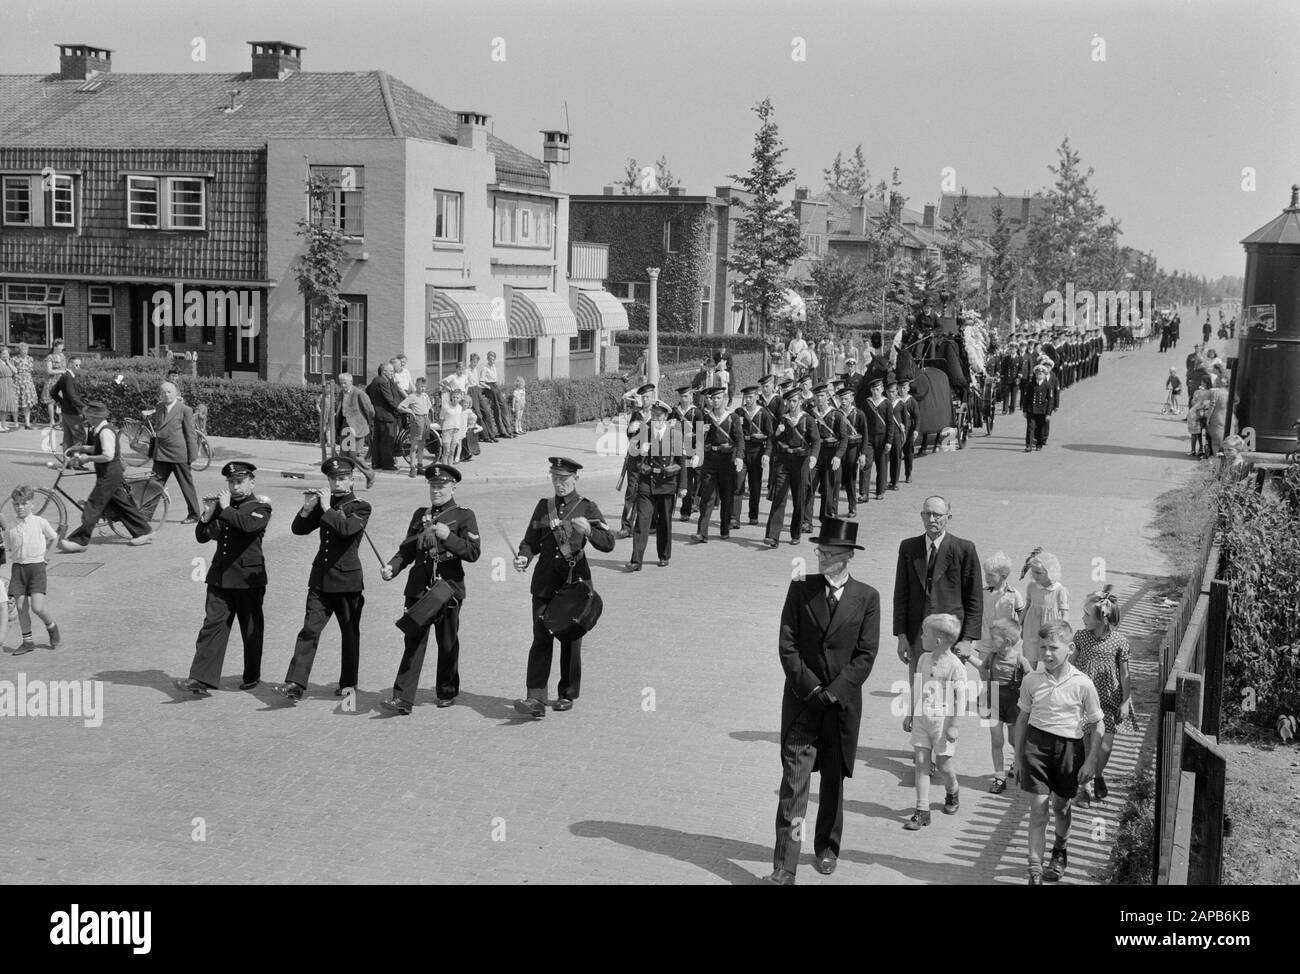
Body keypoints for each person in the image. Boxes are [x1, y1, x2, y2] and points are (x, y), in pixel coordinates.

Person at [767, 517, 880, 884]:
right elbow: (788, 644)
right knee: (795, 787)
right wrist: (811, 688)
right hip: (802, 703)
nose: (821, 558)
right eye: (820, 551)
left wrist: (833, 693)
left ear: (848, 556)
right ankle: (784, 866)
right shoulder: (801, 588)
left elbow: (866, 654)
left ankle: (827, 848)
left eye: (830, 553)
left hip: (840, 707)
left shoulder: (867, 597)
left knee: (833, 781)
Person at [512, 458, 615, 718]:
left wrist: (589, 531)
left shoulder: (587, 508)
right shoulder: (543, 507)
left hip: (573, 584)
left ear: (575, 479)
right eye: (555, 478)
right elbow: (530, 541)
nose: (559, 483)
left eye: (564, 479)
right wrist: (524, 556)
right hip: (545, 583)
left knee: (570, 641)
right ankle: (535, 697)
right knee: (540, 640)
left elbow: (608, 543)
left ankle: (567, 693)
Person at [379, 463, 481, 714]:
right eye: (433, 486)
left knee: (447, 642)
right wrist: (392, 568)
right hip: (418, 586)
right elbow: (406, 550)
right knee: (413, 641)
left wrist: (449, 537)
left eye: (442, 486)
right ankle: (402, 698)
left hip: (447, 589)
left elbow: (473, 552)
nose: (437, 490)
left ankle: (446, 690)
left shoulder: (464, 515)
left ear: (453, 486)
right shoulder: (420, 515)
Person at [1014, 620, 1105, 884]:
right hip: (1036, 748)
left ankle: (1060, 848)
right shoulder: (1031, 679)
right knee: (1039, 810)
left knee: (1061, 808)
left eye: (1053, 647)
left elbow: (1098, 723)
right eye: (1042, 647)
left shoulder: (1082, 683)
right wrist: (1018, 759)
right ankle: (1035, 870)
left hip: (1069, 750)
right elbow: (1022, 719)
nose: (1046, 654)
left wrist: (1090, 761)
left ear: (1070, 648)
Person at [275, 457, 372, 703]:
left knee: (349, 633)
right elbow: (299, 529)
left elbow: (347, 530)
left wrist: (327, 507)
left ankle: (348, 683)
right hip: (320, 579)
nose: (337, 483)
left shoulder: (361, 506)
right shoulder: (324, 504)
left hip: (347, 580)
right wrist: (308, 509)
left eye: (341, 478)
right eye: (332, 479)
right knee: (310, 629)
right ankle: (295, 683)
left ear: (352, 480)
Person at [174, 462, 272, 696]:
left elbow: (248, 527)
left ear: (251, 482)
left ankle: (251, 675)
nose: (235, 487)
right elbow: (202, 537)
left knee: (250, 629)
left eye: (239, 482)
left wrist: (225, 507)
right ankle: (201, 678)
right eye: (231, 482)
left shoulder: (260, 507)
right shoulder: (222, 506)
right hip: (220, 577)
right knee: (212, 626)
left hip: (248, 579)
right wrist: (208, 515)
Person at [893, 496, 982, 731]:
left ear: (948, 518)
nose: (931, 519)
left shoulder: (963, 549)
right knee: (920, 687)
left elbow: (974, 597)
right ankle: (922, 746)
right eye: (927, 514)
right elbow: (900, 594)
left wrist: (968, 639)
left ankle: (943, 745)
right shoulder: (909, 548)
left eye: (937, 515)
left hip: (950, 636)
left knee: (948, 693)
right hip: (919, 635)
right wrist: (901, 635)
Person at [57, 402, 154, 551]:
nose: (86, 418)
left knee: (93, 506)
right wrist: (83, 448)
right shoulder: (101, 429)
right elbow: (102, 448)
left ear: (95, 417)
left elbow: (107, 455)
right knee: (122, 506)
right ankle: (144, 531)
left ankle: (79, 541)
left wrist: (87, 458)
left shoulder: (105, 431)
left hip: (109, 474)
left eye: (88, 416)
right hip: (110, 473)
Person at [903, 613, 968, 829]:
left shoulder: (955, 666)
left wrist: (955, 726)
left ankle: (952, 789)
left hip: (943, 723)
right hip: (923, 718)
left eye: (925, 634)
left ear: (938, 640)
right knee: (921, 763)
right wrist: (910, 712)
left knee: (943, 765)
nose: (921, 637)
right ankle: (922, 810)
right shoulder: (922, 659)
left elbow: (961, 699)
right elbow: (916, 687)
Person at [1071, 587, 1132, 806]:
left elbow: (1124, 674)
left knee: (1105, 748)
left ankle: (1097, 775)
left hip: (1109, 700)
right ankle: (1084, 789)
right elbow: (1070, 663)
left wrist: (1126, 701)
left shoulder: (1120, 642)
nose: (1083, 618)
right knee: (1088, 745)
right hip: (1084, 701)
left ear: (1103, 619)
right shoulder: (1081, 637)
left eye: (1087, 615)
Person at [627, 400, 687, 570]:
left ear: (666, 416)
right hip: (647, 483)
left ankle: (663, 554)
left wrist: (683, 486)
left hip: (667, 483)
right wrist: (640, 452)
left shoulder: (675, 434)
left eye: (659, 416)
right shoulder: (644, 432)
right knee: (642, 522)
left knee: (665, 521)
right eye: (653, 415)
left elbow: (681, 461)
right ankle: (636, 560)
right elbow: (633, 460)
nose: (655, 419)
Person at [3, 485, 61, 654]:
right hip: (18, 569)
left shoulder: (40, 522)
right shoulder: (11, 526)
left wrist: (47, 558)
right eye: (16, 504)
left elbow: (54, 538)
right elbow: (7, 547)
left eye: (24, 503)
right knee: (21, 607)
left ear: (31, 504)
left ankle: (51, 626)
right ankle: (27, 641)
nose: (20, 507)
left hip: (36, 568)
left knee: (37, 607)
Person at [977, 618, 1032, 794]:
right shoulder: (991, 656)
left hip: (1015, 705)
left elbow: (1031, 679)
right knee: (997, 741)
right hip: (994, 703)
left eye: (994, 638)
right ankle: (999, 777)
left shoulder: (1020, 660)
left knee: (1014, 740)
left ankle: (1019, 763)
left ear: (1007, 642)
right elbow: (982, 668)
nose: (990, 641)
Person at [763, 391, 817, 548]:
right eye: (789, 402)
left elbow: (816, 441)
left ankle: (796, 532)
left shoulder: (808, 419)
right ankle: (773, 536)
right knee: (779, 498)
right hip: (784, 461)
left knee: (799, 499)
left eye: (794, 401)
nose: (791, 405)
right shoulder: (782, 419)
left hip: (801, 462)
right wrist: (777, 434)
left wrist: (813, 456)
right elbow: (773, 440)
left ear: (800, 401)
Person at [691, 386, 744, 544]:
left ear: (725, 400)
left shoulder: (732, 417)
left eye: (718, 398)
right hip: (710, 459)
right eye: (713, 398)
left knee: (727, 496)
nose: (715, 401)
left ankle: (725, 528)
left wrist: (739, 457)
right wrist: (701, 434)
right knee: (707, 496)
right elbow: (697, 440)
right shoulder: (706, 417)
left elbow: (739, 438)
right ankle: (702, 532)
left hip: (727, 460)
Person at [148, 381, 202, 524]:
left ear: (176, 393)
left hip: (179, 454)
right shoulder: (159, 407)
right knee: (154, 484)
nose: (166, 395)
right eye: (163, 392)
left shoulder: (185, 410)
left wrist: (192, 455)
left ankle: (194, 514)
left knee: (186, 485)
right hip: (161, 454)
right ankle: (145, 514)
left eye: (169, 392)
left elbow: (190, 434)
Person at [1020, 550, 1069, 667]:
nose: (1034, 576)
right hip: (1031, 627)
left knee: (1050, 656)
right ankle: (1029, 680)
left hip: (1050, 629)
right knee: (1029, 656)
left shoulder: (1059, 589)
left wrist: (1064, 631)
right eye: (1033, 572)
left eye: (1038, 573)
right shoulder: (1032, 586)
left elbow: (1064, 612)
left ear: (1050, 572)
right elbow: (1027, 606)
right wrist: (1019, 624)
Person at [336, 373, 376, 489]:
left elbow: (370, 410)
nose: (343, 385)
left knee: (355, 455)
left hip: (357, 427)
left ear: (351, 382)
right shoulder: (341, 393)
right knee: (344, 456)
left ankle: (370, 474)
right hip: (345, 426)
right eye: (341, 383)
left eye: (345, 383)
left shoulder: (359, 393)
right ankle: (348, 482)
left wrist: (365, 423)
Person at [835, 386, 866, 519]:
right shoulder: (836, 414)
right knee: (835, 479)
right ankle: (832, 509)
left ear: (852, 399)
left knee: (850, 479)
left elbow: (865, 434)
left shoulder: (859, 414)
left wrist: (863, 453)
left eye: (846, 399)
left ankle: (852, 506)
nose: (843, 401)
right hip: (839, 449)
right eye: (841, 399)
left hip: (853, 449)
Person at [366, 361, 403, 471]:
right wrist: (402, 408)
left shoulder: (375, 380)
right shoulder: (382, 382)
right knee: (387, 440)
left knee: (378, 439)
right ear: (384, 371)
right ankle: (387, 464)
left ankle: (376, 463)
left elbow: (367, 390)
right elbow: (390, 400)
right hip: (386, 415)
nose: (393, 373)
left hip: (378, 415)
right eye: (391, 371)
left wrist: (374, 403)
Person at [398, 377, 434, 477]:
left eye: (424, 387)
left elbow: (429, 406)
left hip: (425, 420)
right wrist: (410, 411)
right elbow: (400, 407)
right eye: (421, 386)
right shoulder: (412, 396)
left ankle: (420, 467)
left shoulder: (425, 396)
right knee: (414, 446)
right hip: (417, 420)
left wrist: (430, 412)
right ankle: (412, 468)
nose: (423, 388)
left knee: (422, 446)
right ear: (416, 385)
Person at [862, 377, 891, 501]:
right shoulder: (866, 403)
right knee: (865, 464)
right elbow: (862, 422)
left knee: (881, 465)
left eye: (878, 389)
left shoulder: (887, 403)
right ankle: (864, 493)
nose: (875, 392)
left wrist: (889, 441)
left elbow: (890, 424)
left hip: (882, 437)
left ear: (882, 389)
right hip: (868, 438)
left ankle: (880, 491)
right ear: (870, 390)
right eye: (873, 389)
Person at [49, 355, 85, 453]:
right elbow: (72, 396)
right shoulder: (68, 377)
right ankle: (76, 461)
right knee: (80, 435)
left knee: (68, 437)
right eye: (76, 365)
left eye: (79, 365)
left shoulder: (65, 376)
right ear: (70, 364)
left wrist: (62, 403)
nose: (78, 367)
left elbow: (53, 392)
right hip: (72, 411)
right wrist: (84, 407)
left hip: (66, 410)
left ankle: (67, 460)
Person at [1022, 363, 1058, 452]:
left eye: (1040, 374)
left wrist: (1048, 413)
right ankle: (1028, 445)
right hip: (1032, 410)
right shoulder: (1031, 384)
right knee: (1030, 428)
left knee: (1040, 428)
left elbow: (1050, 400)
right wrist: (1025, 410)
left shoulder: (1048, 385)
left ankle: (1039, 444)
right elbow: (1026, 398)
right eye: (1037, 374)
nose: (1039, 375)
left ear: (1045, 375)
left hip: (1042, 411)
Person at [478, 351, 512, 438]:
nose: (491, 361)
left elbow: (495, 379)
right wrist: (489, 388)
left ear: (495, 359)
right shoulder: (485, 368)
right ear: (487, 359)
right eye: (489, 359)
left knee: (503, 407)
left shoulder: (494, 367)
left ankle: (508, 430)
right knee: (496, 408)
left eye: (493, 359)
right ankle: (502, 431)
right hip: (489, 387)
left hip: (495, 386)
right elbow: (481, 382)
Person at [13, 342, 38, 430]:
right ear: (19, 350)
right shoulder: (14, 359)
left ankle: (27, 423)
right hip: (17, 382)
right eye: (23, 349)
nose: (25, 351)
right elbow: (13, 371)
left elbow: (31, 369)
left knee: (27, 403)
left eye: (26, 349)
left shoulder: (30, 359)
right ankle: (16, 422)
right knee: (16, 403)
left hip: (27, 382)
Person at [439, 391, 467, 465]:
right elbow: (441, 418)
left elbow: (461, 420)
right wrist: (443, 429)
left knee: (452, 452)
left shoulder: (460, 408)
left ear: (460, 399)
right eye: (454, 397)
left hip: (456, 431)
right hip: (447, 430)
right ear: (451, 397)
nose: (455, 399)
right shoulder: (446, 406)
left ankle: (450, 468)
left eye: (457, 397)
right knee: (446, 451)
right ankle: (444, 468)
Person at [0, 347, 16, 431]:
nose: (6, 355)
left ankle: (3, 424)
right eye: (4, 354)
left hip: (9, 385)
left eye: (7, 354)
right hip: (1, 384)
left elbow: (15, 371)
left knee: (6, 406)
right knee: (1, 405)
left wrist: (8, 362)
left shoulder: (10, 362)